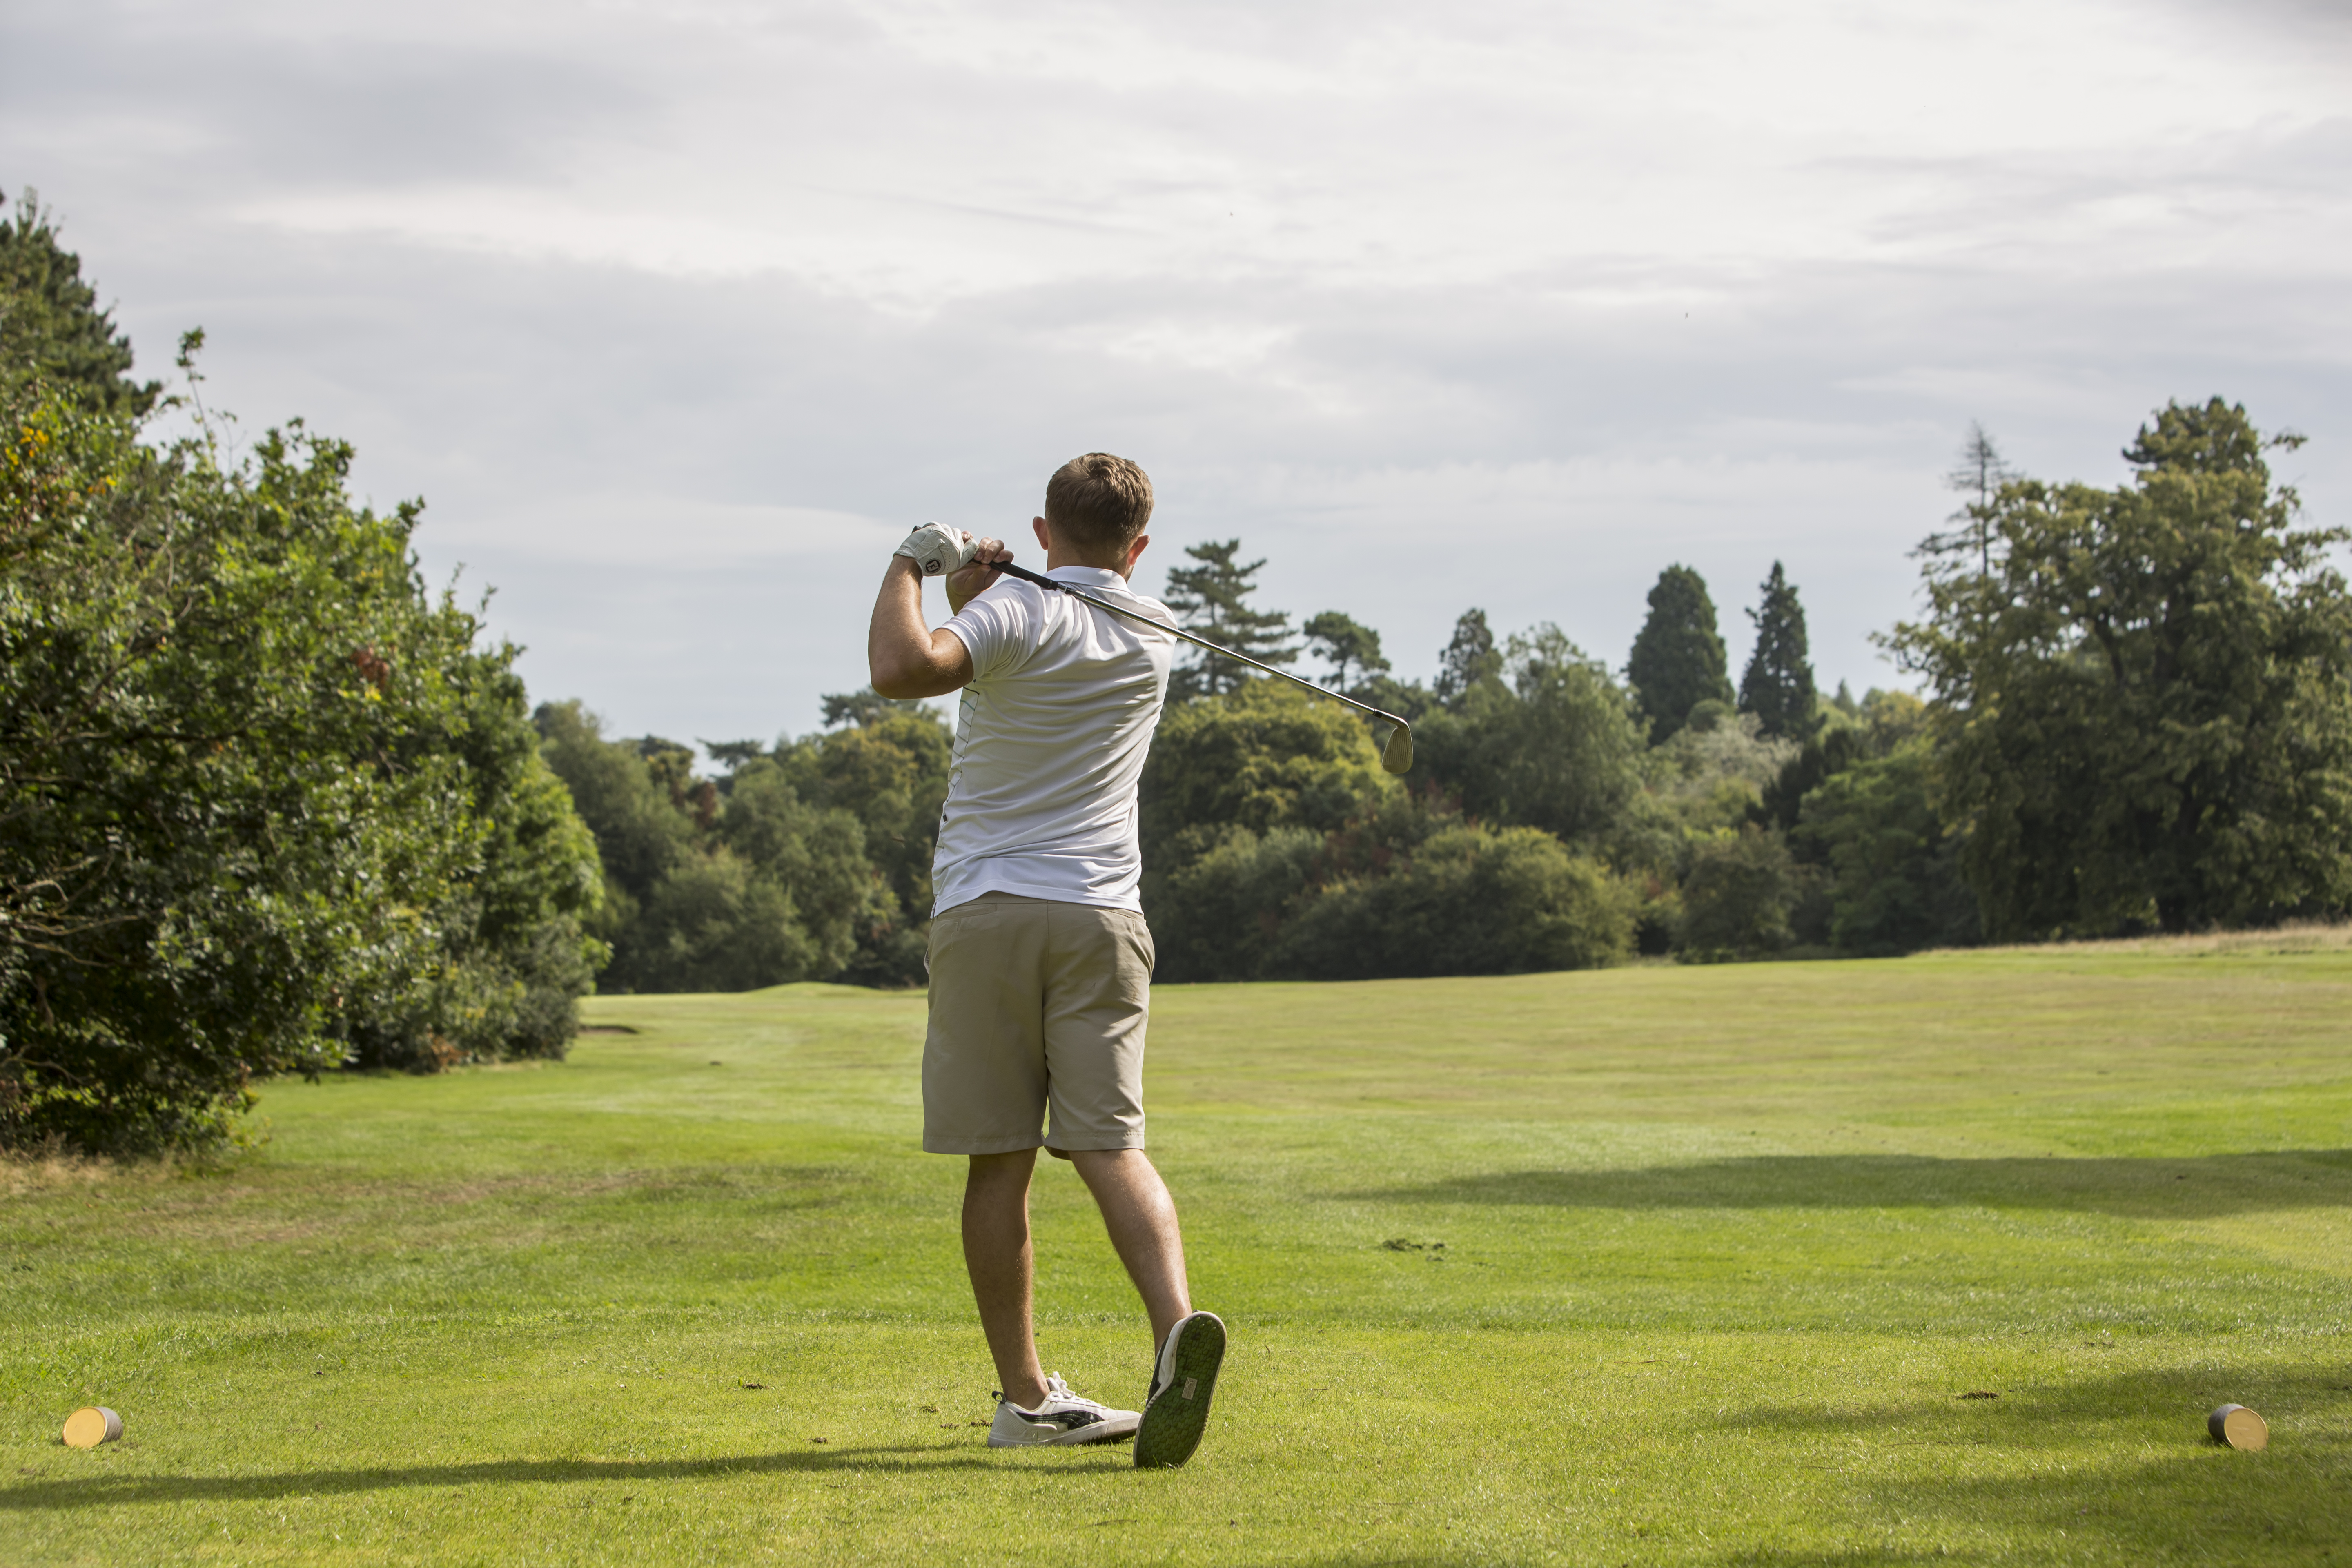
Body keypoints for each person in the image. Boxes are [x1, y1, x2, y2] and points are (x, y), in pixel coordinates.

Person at [865, 452, 1225, 1470]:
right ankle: (1173, 1338)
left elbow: (904, 672)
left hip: (987, 910)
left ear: (1041, 529)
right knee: (1112, 1144)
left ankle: (1025, 1397)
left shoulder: (1016, 615)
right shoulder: (1155, 634)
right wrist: (987, 597)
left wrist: (916, 564)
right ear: (1140, 546)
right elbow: (1035, 640)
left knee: (1001, 1159)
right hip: (1104, 917)